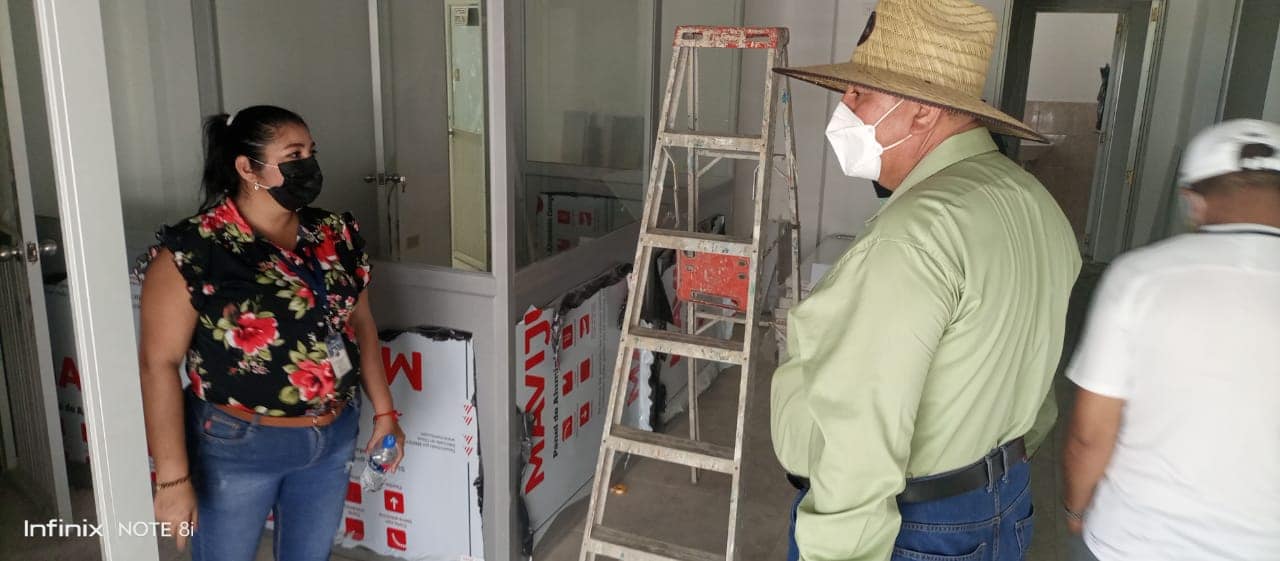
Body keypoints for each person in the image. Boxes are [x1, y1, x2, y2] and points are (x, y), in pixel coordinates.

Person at [770, 1, 1081, 560]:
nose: (844, 107)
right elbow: (1036, 385)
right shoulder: (1033, 201)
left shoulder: (911, 237)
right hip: (999, 500)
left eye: (860, 92)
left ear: (920, 113)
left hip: (916, 525)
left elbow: (860, 437)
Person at [138, 105, 405, 561]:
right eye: (294, 154)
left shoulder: (334, 233)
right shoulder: (194, 249)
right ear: (247, 168)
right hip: (237, 443)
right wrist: (173, 478)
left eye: (311, 152)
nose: (309, 165)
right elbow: (157, 364)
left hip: (333, 434)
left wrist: (384, 412)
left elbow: (360, 323)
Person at [1062, 119, 1280, 561]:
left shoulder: (1139, 278)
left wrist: (1076, 506)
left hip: (1134, 540)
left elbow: (1091, 433)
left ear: (1192, 200)